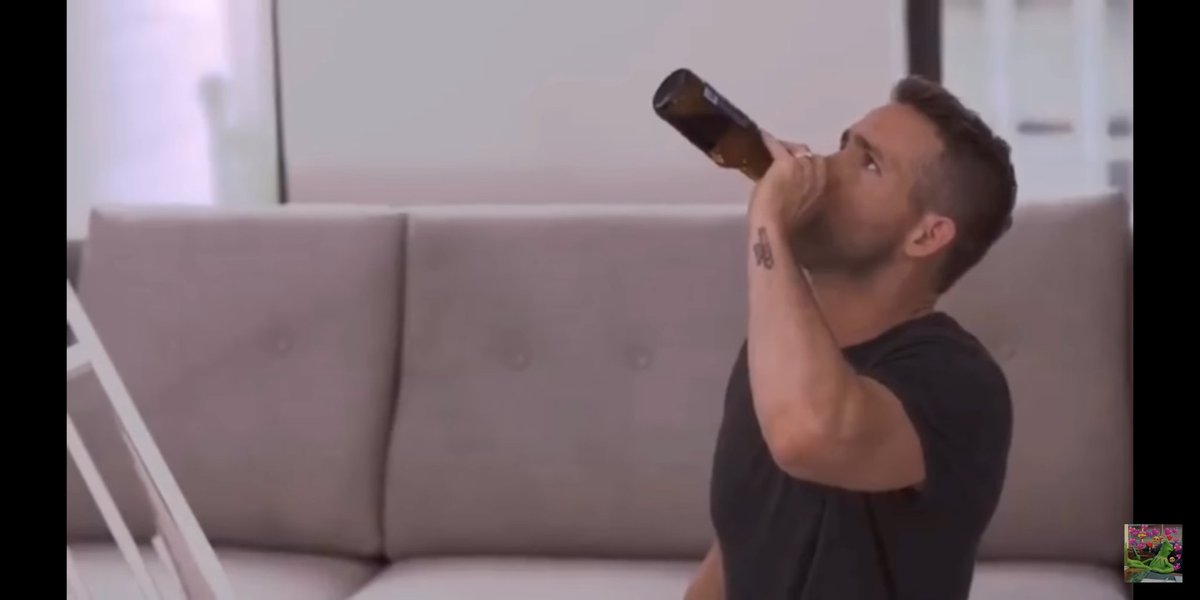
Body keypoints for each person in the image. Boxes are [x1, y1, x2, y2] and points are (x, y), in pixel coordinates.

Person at [683, 76, 1017, 600]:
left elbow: (806, 435)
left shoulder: (960, 382)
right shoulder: (771, 355)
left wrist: (768, 220)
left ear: (927, 234)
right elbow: (740, 545)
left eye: (868, 163)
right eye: (843, 145)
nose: (822, 165)